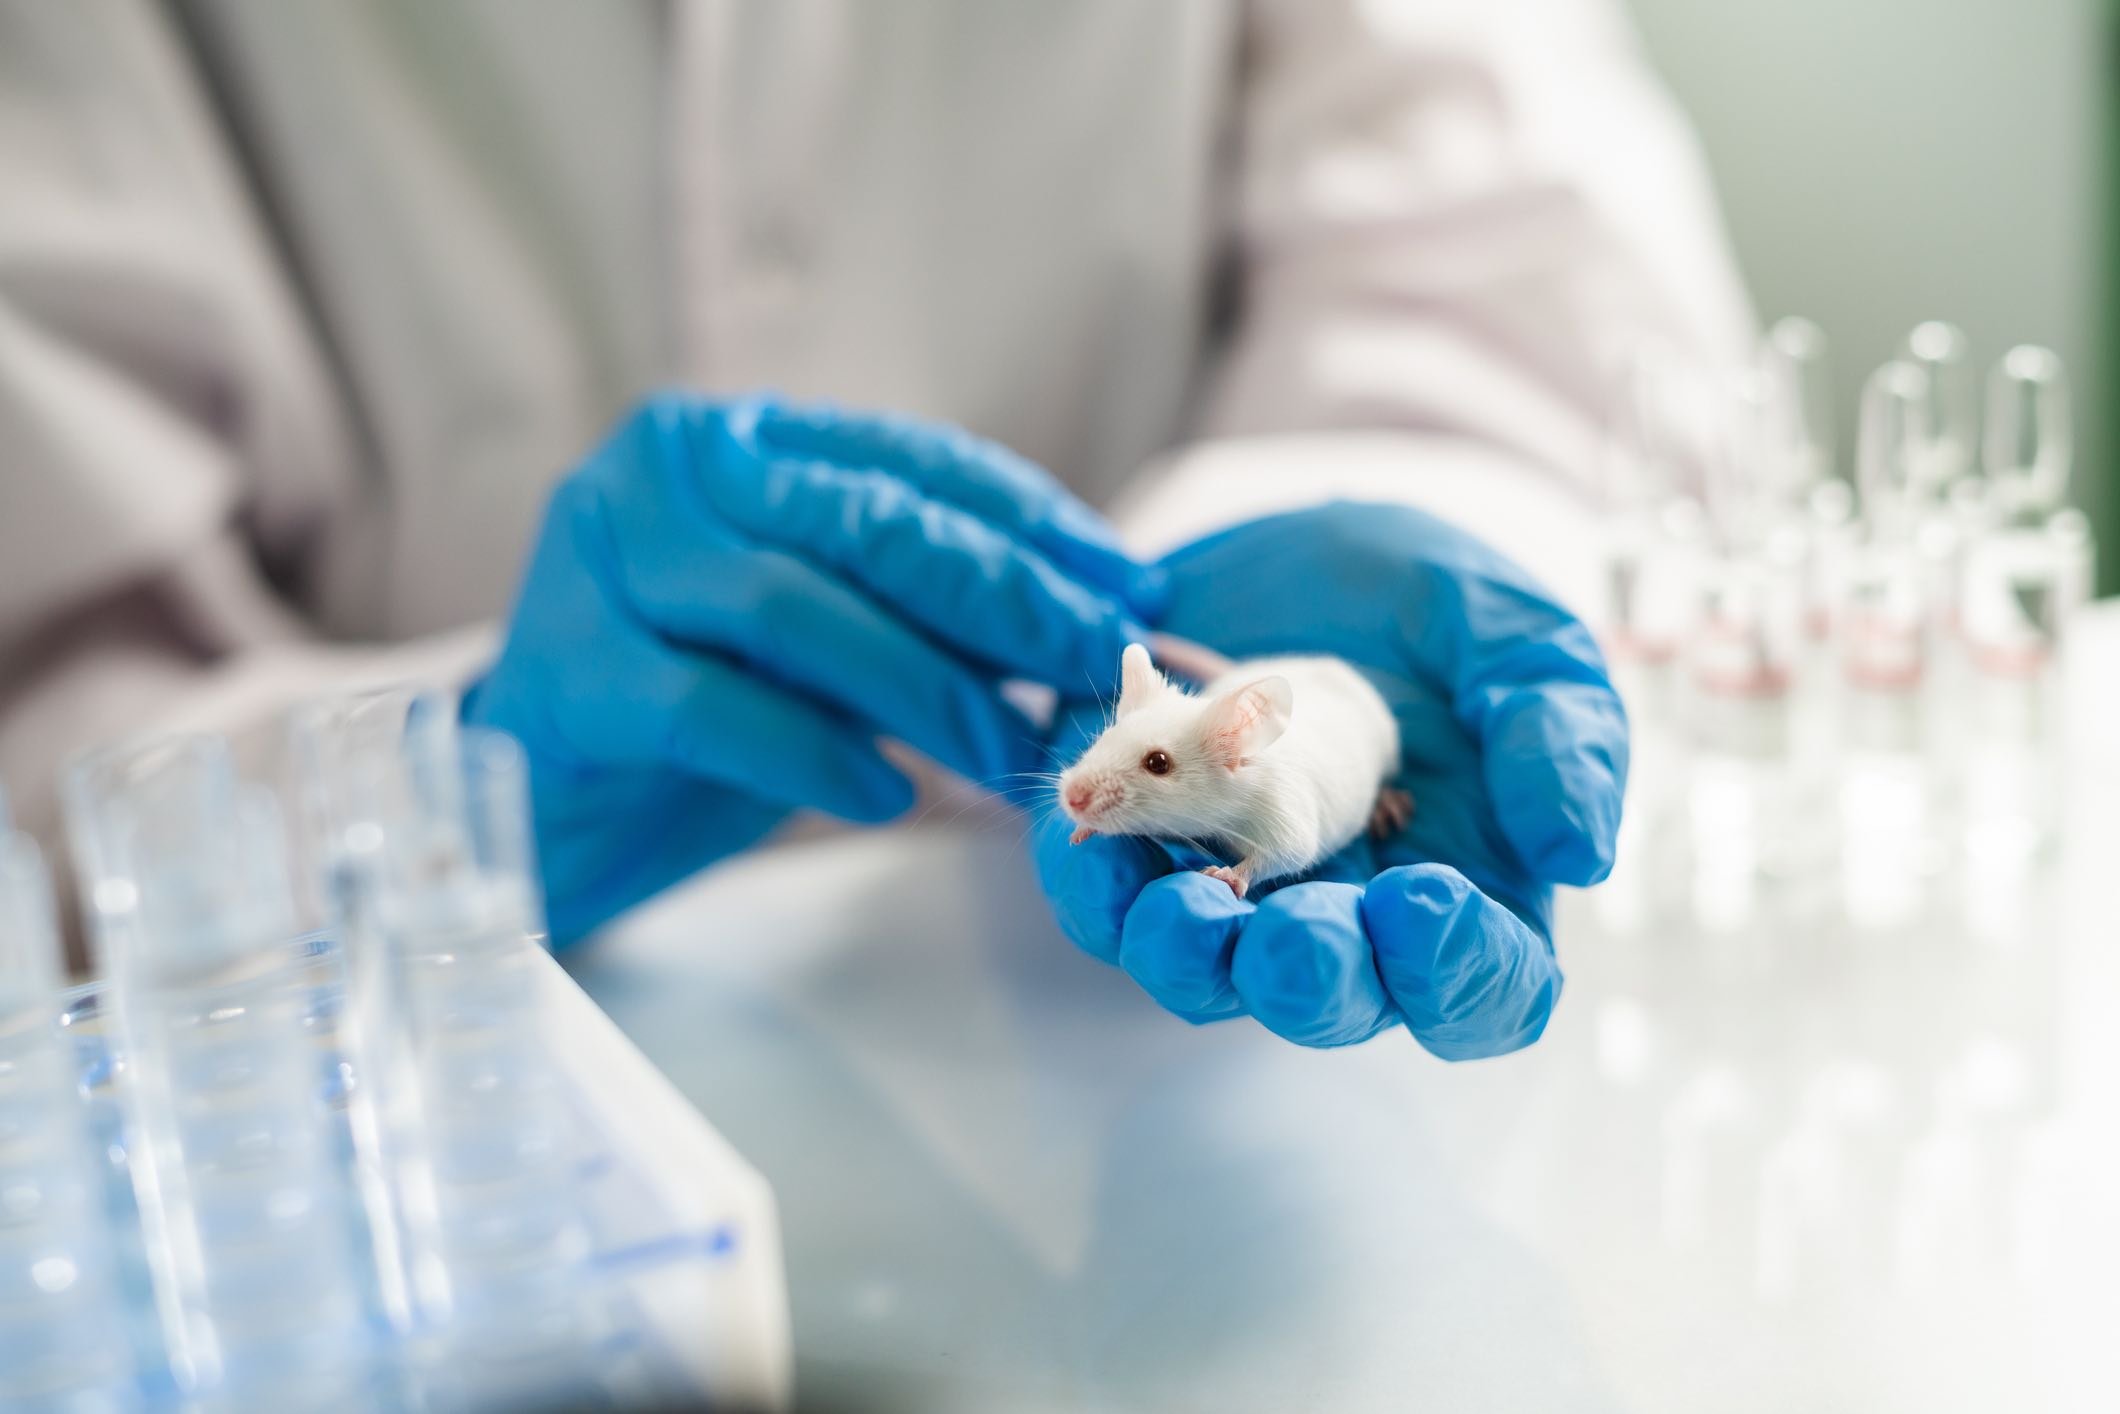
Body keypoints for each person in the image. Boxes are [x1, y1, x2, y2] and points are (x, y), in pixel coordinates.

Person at [0, 0, 1750, 1055]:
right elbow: (48, 673)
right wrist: (433, 785)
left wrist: (1326, 524)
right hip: (438, 1086)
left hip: (1195, 1133)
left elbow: (1503, 283)